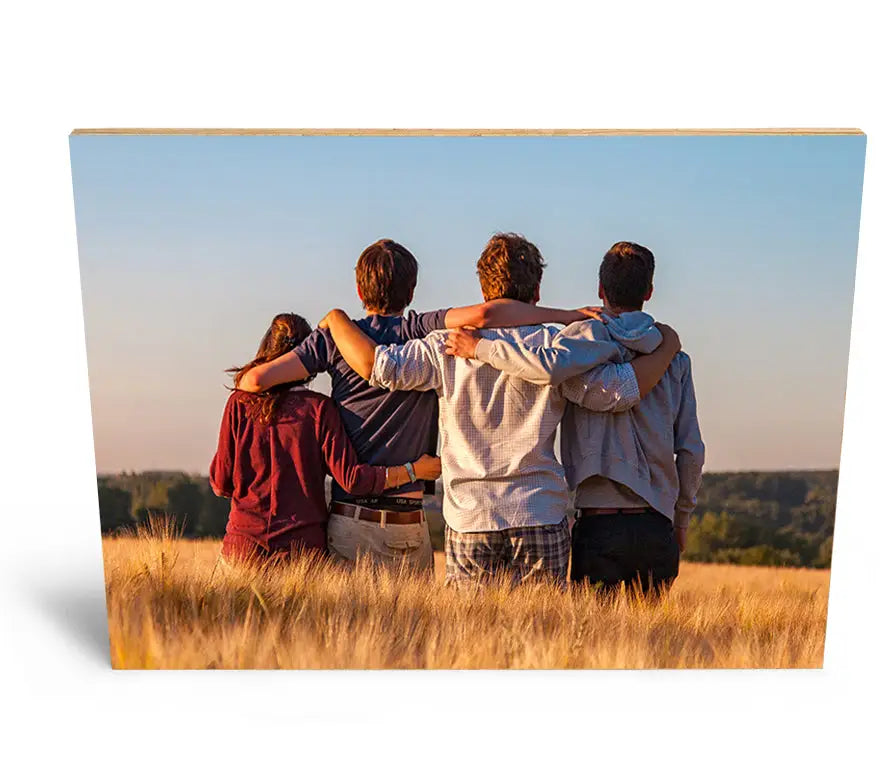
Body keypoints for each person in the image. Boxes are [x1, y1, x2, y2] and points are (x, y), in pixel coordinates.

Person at [321, 233, 681, 586]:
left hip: (470, 516)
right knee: (542, 639)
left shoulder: (445, 346)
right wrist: (666, 349)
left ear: (483, 290)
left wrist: (336, 320)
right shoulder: (554, 347)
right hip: (539, 510)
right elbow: (615, 393)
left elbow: (381, 368)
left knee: (470, 640)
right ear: (537, 292)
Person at [236, 238, 605, 572]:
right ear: (411, 290)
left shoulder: (336, 340)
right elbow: (486, 316)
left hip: (355, 518)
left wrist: (332, 322)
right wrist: (566, 316)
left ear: (359, 289)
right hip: (414, 522)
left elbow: (254, 382)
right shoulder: (422, 330)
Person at [446, 241, 704, 596]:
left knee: (591, 641)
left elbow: (573, 378)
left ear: (600, 290)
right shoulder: (675, 360)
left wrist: (482, 348)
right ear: (649, 291)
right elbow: (690, 451)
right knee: (649, 646)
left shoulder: (576, 351)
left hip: (597, 525)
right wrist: (682, 519)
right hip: (657, 523)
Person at [209, 312, 441, 565]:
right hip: (301, 553)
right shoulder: (319, 410)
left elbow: (221, 483)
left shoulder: (239, 404)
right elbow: (353, 480)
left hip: (243, 548)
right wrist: (413, 470)